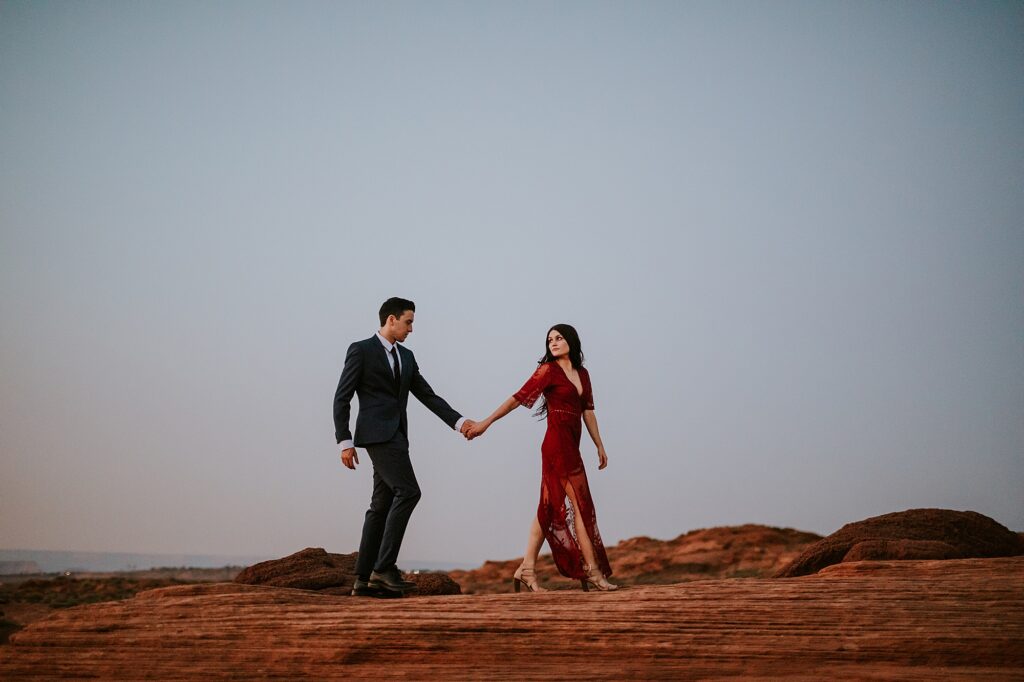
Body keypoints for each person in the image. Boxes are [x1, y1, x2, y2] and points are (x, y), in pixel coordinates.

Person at [334, 297, 476, 597]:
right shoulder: (361, 350)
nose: (411, 329)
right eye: (408, 322)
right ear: (391, 320)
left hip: (398, 436)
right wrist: (344, 441)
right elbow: (342, 397)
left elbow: (427, 395)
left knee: (380, 505)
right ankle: (384, 568)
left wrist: (459, 421)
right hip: (377, 436)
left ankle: (363, 580)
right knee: (409, 491)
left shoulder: (407, 357)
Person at [465, 324, 617, 592]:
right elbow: (517, 398)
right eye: (549, 340)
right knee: (580, 504)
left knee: (548, 508)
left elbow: (588, 411)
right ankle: (593, 572)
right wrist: (486, 422)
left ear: (571, 340)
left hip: (573, 445)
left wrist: (599, 445)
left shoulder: (583, 374)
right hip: (556, 446)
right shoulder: (548, 371)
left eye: (559, 338)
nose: (554, 343)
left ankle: (527, 569)